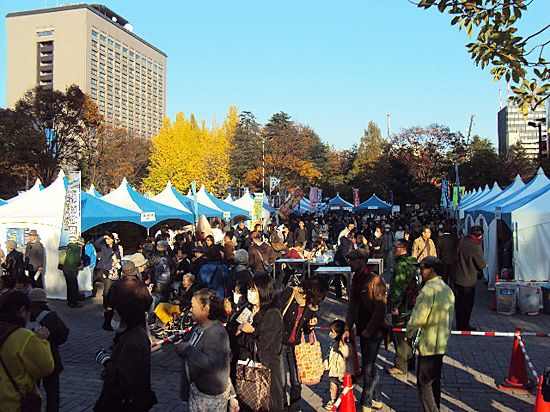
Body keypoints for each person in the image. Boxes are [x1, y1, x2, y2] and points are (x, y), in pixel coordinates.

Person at [342, 248, 388, 412]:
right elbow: (352, 306)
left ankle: (366, 402)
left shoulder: (375, 280)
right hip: (362, 328)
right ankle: (377, 399)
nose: (350, 263)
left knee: (367, 366)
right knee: (370, 365)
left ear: (362, 260)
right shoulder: (356, 280)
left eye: (352, 260)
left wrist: (369, 329)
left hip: (374, 330)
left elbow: (380, 309)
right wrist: (347, 327)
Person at [406, 257, 454, 412]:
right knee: (435, 380)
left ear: (431, 270)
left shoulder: (428, 290)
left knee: (424, 383)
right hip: (441, 342)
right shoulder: (446, 289)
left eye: (422, 268)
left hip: (428, 342)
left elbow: (418, 318)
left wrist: (409, 332)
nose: (420, 272)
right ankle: (436, 406)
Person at [94, 300, 157, 412]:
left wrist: (106, 362)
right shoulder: (133, 334)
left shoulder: (133, 342)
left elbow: (123, 377)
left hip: (126, 400)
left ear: (126, 319)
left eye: (116, 316)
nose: (114, 319)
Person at [177, 288, 232, 412]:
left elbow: (212, 363)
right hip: (197, 390)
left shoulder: (216, 333)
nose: (191, 310)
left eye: (193, 306)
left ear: (206, 309)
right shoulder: (197, 327)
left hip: (210, 394)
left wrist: (188, 350)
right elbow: (185, 343)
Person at [279, 276, 329, 412]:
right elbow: (275, 313)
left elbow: (305, 329)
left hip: (296, 345)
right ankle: (283, 407)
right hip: (280, 342)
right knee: (281, 381)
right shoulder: (290, 294)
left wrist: (310, 326)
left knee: (296, 380)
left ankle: (295, 408)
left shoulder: (311, 305)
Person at [0, 291, 54, 412]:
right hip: (13, 402)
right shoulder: (23, 336)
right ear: (23, 311)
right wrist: (43, 342)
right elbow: (45, 368)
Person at [236, 274, 283, 412]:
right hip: (248, 367)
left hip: (265, 370)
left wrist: (242, 334)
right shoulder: (249, 309)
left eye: (254, 289)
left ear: (263, 291)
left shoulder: (272, 314)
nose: (250, 292)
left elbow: (261, 345)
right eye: (250, 288)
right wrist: (240, 329)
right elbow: (234, 329)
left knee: (265, 404)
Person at [28, 288, 70, 412]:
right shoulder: (51, 316)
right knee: (52, 393)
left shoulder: (25, 314)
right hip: (50, 357)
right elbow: (63, 334)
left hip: (30, 358)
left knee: (31, 390)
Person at [386, 239, 418, 375]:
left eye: (396, 247)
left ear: (403, 249)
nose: (394, 250)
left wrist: (395, 305)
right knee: (409, 334)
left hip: (402, 305)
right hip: (410, 304)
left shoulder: (400, 266)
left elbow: (398, 287)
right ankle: (410, 360)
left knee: (400, 336)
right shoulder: (412, 263)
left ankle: (400, 365)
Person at [454, 225, 487, 331]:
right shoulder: (475, 247)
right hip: (469, 280)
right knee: (467, 305)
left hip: (458, 276)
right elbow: (481, 265)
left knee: (459, 304)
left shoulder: (461, 241)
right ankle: (464, 325)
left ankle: (459, 324)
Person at [323, 319, 355, 411]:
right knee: (333, 387)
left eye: (332, 332)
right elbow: (329, 355)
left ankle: (343, 401)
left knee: (343, 388)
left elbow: (348, 355)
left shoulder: (347, 343)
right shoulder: (333, 343)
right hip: (333, 371)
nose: (330, 334)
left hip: (343, 372)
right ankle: (333, 400)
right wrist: (325, 365)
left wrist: (342, 347)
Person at [94, 233, 119, 324]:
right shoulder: (104, 247)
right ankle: (106, 304)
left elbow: (119, 256)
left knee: (114, 288)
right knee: (107, 288)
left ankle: (112, 303)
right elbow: (96, 244)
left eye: (109, 239)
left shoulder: (116, 248)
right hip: (106, 270)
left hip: (114, 269)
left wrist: (117, 260)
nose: (107, 240)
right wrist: (103, 237)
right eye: (106, 239)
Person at [62, 238, 85, 308]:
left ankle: (69, 301)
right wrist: (80, 264)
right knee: (74, 287)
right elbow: (77, 259)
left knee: (69, 286)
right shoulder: (77, 249)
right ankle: (74, 302)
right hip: (72, 269)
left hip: (65, 268)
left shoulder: (69, 247)